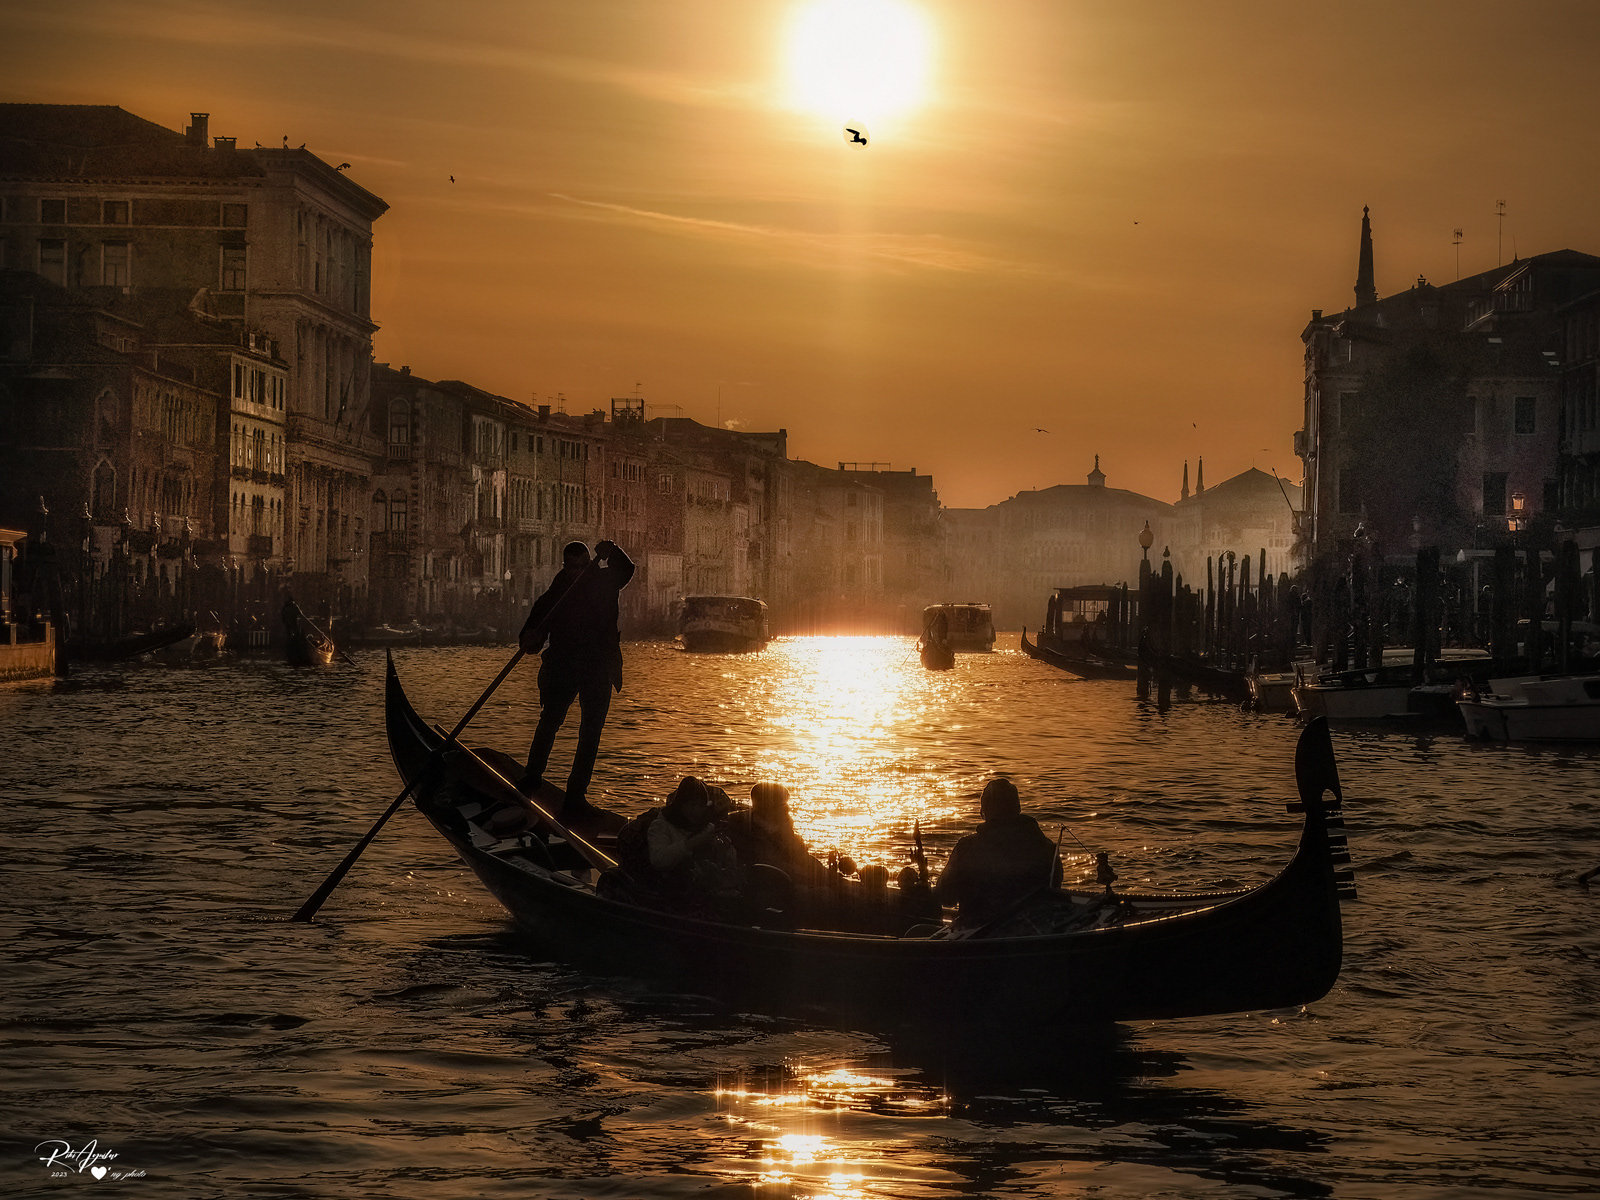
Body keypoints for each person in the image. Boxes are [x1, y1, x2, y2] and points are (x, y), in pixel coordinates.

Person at [519, 539, 635, 816]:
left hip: (598, 669)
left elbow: (627, 570)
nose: (577, 573)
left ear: (588, 565)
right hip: (564, 667)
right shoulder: (556, 594)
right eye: (571, 568)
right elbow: (533, 633)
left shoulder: (605, 582)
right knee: (549, 722)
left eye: (581, 567)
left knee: (590, 734)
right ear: (565, 567)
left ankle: (575, 795)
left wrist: (612, 551)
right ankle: (531, 778)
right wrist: (528, 638)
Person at [934, 778, 1063, 929]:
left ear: (985, 809)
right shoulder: (1047, 846)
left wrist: (924, 887)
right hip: (1037, 929)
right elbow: (1055, 887)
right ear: (1017, 807)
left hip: (980, 931)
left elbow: (946, 897)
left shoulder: (967, 847)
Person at [723, 782, 829, 886]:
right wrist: (811, 878)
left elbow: (801, 855)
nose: (788, 809)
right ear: (767, 806)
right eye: (783, 805)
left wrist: (825, 874)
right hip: (763, 883)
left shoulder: (782, 823)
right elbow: (768, 863)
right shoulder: (740, 827)